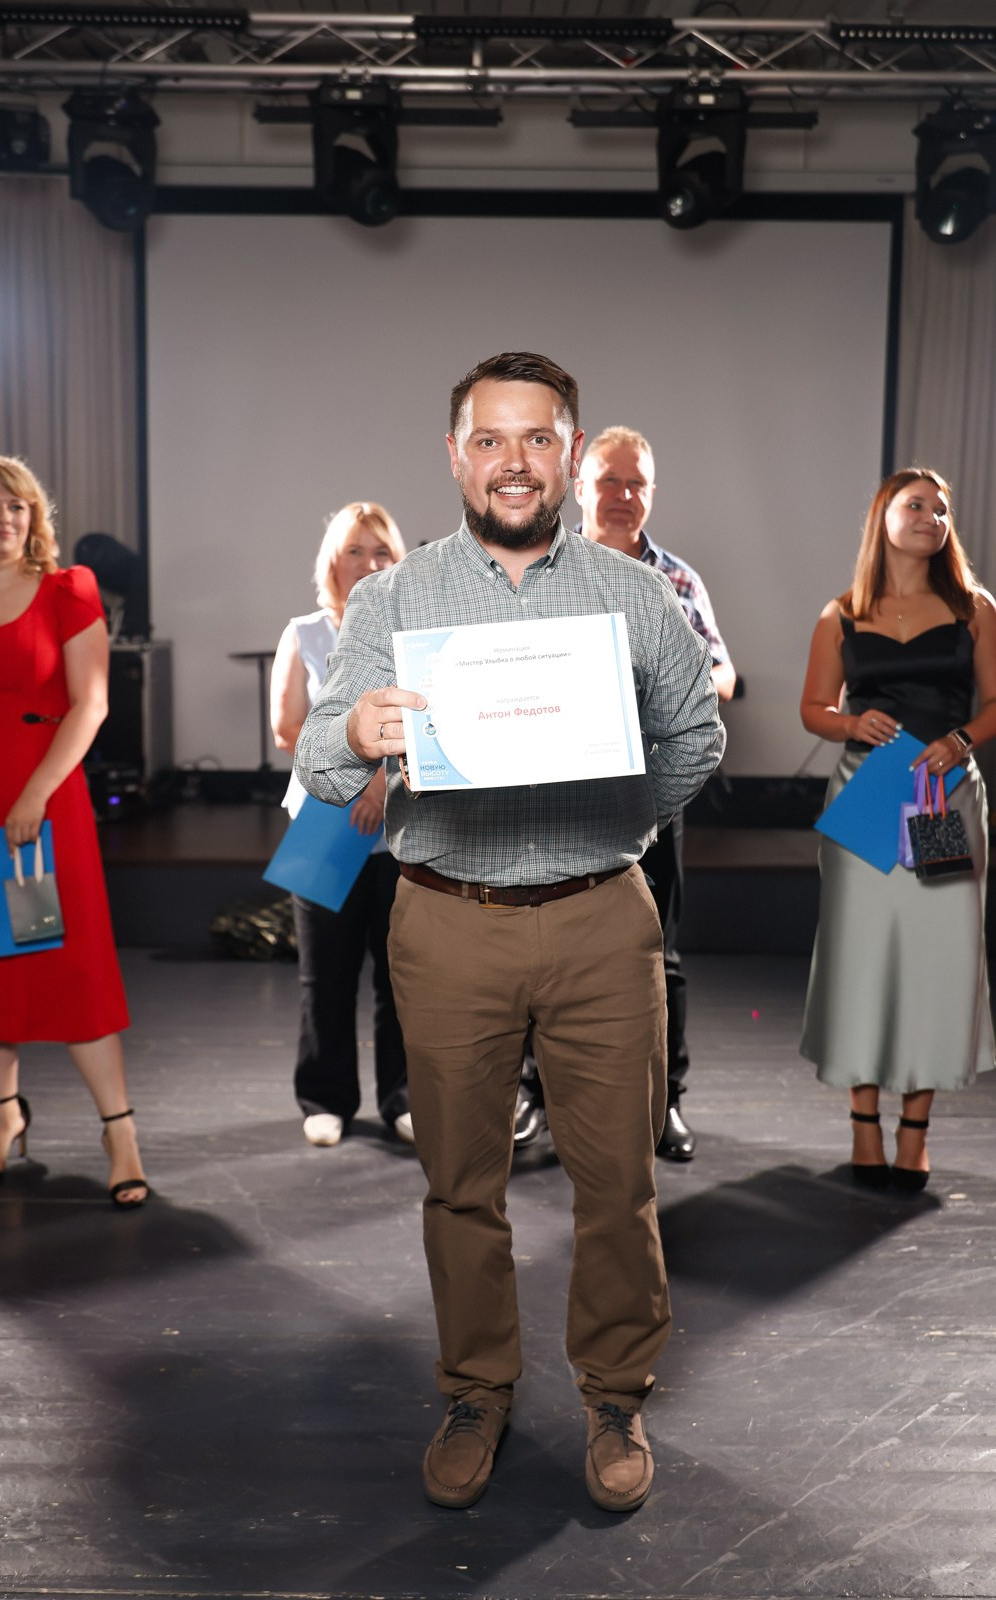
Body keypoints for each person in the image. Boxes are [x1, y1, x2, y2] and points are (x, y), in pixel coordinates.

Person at [294, 352, 725, 1512]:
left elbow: (697, 736)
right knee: (459, 1186)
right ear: (455, 455)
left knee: (617, 1184)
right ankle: (474, 1390)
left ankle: (614, 1394)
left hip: (601, 922)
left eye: (538, 438)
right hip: (448, 923)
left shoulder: (636, 595)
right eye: (489, 439)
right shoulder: (394, 600)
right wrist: (360, 733)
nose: (514, 462)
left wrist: (613, 809)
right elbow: (319, 760)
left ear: (570, 455)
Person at [0, 453, 149, 1207]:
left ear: (34, 517)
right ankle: (2, 1121)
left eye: (17, 505)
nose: (4, 518)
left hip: (43, 804)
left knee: (69, 969)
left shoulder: (67, 590)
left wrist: (34, 796)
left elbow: (91, 704)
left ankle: (119, 1132)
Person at [800, 467, 996, 1189]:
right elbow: (813, 708)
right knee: (861, 956)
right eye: (915, 505)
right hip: (870, 788)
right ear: (882, 516)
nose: (931, 518)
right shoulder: (841, 613)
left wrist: (963, 740)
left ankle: (915, 1131)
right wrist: (850, 724)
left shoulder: (975, 608)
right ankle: (863, 1126)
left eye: (940, 510)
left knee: (939, 958)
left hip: (944, 792)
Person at [576, 426, 736, 1160]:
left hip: (650, 790)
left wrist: (678, 679)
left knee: (658, 951)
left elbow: (723, 673)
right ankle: (533, 1094)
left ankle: (664, 1101)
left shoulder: (677, 579)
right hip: (554, 794)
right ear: (580, 487)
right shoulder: (541, 569)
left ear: (651, 494)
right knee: (542, 945)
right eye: (609, 480)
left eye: (636, 483)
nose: (623, 495)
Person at [270, 502, 412, 1149]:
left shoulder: (411, 631)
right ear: (333, 561)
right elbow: (287, 729)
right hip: (324, 823)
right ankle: (325, 1099)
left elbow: (425, 722)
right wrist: (358, 776)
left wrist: (384, 785)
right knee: (323, 975)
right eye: (355, 550)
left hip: (400, 827)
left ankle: (402, 1097)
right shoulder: (303, 633)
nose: (368, 562)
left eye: (381, 551)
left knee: (401, 973)